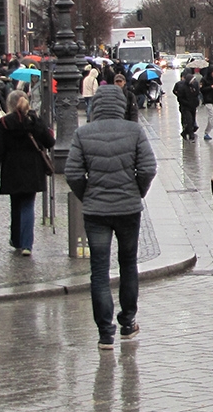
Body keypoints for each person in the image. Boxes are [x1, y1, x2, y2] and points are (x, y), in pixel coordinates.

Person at [66, 84, 158, 351]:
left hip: (96, 212)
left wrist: (88, 195)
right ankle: (127, 322)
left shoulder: (83, 133)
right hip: (128, 209)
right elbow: (148, 168)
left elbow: (72, 173)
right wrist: (136, 191)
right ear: (120, 106)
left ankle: (105, 332)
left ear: (95, 106)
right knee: (128, 264)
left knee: (99, 271)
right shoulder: (134, 131)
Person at [0, 90, 55, 256]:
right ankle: (27, 244)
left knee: (16, 204)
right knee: (28, 205)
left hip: (12, 168)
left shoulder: (5, 122)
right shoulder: (35, 120)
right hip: (32, 168)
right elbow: (50, 142)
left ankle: (16, 239)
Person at [173, 71, 199, 139]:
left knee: (192, 120)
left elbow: (197, 94)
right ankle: (191, 134)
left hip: (193, 106)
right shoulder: (181, 86)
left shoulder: (195, 85)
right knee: (189, 120)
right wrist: (186, 103)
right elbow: (180, 97)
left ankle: (185, 132)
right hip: (186, 107)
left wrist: (196, 102)